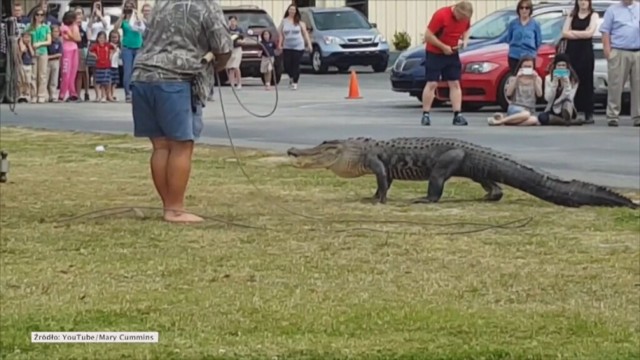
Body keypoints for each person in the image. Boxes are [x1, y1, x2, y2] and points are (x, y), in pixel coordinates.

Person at [130, 0, 233, 223]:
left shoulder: (161, 4)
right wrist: (217, 65)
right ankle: (175, 210)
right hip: (175, 79)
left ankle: (169, 205)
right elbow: (223, 47)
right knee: (181, 145)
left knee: (160, 145)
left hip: (141, 77)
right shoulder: (207, 6)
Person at [420, 0, 473, 126]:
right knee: (432, 83)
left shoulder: (465, 19)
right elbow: (428, 35)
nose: (462, 20)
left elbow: (467, 29)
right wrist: (443, 47)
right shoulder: (441, 15)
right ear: (456, 11)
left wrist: (464, 41)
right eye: (460, 17)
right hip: (435, 53)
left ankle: (457, 114)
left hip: (452, 52)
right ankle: (426, 114)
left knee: (454, 82)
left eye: (464, 19)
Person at [599, 0, 640, 127]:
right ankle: (612, 115)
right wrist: (608, 52)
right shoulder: (612, 10)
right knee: (615, 85)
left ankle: (638, 116)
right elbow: (605, 32)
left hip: (637, 51)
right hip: (619, 51)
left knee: (638, 86)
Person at [561, 0, 600, 124]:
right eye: (580, 0)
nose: (583, 3)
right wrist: (580, 33)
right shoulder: (571, 15)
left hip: (586, 52)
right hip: (572, 52)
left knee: (586, 81)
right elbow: (564, 32)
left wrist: (573, 33)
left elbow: (590, 33)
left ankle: (588, 112)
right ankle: (572, 110)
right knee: (572, 80)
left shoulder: (593, 15)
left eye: (585, 0)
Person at [487, 57, 544, 126]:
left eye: (529, 67)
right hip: (516, 107)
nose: (527, 69)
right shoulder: (513, 78)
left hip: (529, 109)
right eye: (525, 67)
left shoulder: (537, 79)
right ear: (520, 67)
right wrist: (517, 78)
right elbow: (508, 93)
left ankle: (505, 120)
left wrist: (535, 80)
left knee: (533, 120)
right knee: (526, 114)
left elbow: (539, 94)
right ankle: (501, 121)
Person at [538, 54, 583, 126]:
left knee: (567, 104)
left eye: (563, 65)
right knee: (542, 117)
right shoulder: (548, 79)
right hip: (553, 108)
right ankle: (567, 122)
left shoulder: (573, 80)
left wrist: (567, 83)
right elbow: (548, 98)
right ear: (555, 66)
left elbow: (570, 98)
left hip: (567, 108)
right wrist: (554, 83)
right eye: (559, 65)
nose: (561, 68)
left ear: (567, 67)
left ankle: (566, 119)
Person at [114, 0, 144, 103]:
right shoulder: (124, 20)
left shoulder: (136, 17)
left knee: (138, 71)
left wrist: (137, 14)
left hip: (138, 46)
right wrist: (122, 16)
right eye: (127, 6)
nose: (129, 8)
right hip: (127, 47)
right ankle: (128, 93)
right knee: (127, 71)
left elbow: (143, 27)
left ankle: (137, 93)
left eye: (131, 6)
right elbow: (115, 28)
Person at [278, 4, 312, 90]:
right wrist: (280, 44)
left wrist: (309, 44)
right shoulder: (284, 21)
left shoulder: (300, 22)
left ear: (296, 11)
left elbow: (305, 33)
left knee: (295, 64)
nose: (292, 11)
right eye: (290, 9)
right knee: (287, 65)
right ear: (288, 11)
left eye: (293, 10)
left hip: (298, 46)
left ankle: (295, 82)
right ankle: (291, 77)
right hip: (287, 46)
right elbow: (281, 34)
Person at [504, 0, 542, 75]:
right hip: (514, 56)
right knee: (515, 77)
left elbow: (538, 41)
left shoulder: (535, 24)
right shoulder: (513, 23)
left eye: (527, 8)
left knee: (527, 78)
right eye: (521, 8)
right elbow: (509, 38)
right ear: (518, 10)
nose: (524, 10)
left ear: (530, 10)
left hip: (529, 57)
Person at [26, 8, 51, 104]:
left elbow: (49, 41)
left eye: (42, 15)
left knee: (42, 75)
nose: (39, 17)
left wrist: (39, 43)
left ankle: (41, 95)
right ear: (34, 16)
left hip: (43, 51)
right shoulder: (30, 26)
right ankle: (33, 95)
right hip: (33, 52)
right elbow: (25, 37)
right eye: (37, 14)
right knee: (33, 75)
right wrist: (30, 46)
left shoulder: (46, 27)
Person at [58, 10, 81, 102]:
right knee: (66, 73)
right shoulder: (64, 27)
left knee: (73, 73)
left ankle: (73, 93)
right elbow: (74, 38)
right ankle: (62, 94)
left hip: (74, 49)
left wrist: (71, 35)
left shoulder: (75, 26)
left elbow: (78, 39)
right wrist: (72, 35)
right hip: (66, 49)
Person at [88, 31, 114, 102]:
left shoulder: (107, 45)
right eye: (100, 38)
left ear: (106, 39)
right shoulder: (96, 46)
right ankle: (101, 96)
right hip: (99, 66)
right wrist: (95, 55)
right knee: (100, 81)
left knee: (106, 81)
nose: (101, 39)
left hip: (107, 65)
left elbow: (114, 48)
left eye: (103, 38)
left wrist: (111, 54)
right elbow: (90, 51)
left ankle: (106, 95)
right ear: (97, 38)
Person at [225, 16, 244, 89]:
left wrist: (241, 41)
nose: (232, 23)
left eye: (234, 21)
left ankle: (239, 83)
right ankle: (232, 83)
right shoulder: (227, 30)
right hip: (230, 49)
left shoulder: (239, 30)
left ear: (236, 22)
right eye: (231, 21)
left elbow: (243, 39)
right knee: (230, 67)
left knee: (236, 66)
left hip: (237, 49)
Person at [47, 25, 62, 102]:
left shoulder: (59, 42)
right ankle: (46, 95)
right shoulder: (48, 41)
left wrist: (50, 57)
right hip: (47, 62)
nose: (56, 33)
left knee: (54, 79)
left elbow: (60, 54)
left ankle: (53, 95)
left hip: (55, 61)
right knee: (46, 78)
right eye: (55, 31)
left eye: (58, 32)